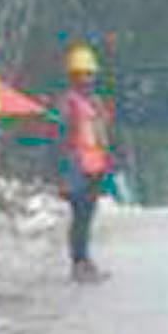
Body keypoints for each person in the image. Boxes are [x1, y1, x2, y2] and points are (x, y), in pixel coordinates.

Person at [56, 43, 114, 283]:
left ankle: (85, 261)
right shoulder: (68, 102)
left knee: (87, 216)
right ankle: (79, 263)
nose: (87, 79)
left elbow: (102, 134)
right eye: (82, 74)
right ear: (73, 76)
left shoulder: (95, 102)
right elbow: (60, 134)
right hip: (76, 166)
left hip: (94, 166)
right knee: (80, 217)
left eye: (89, 74)